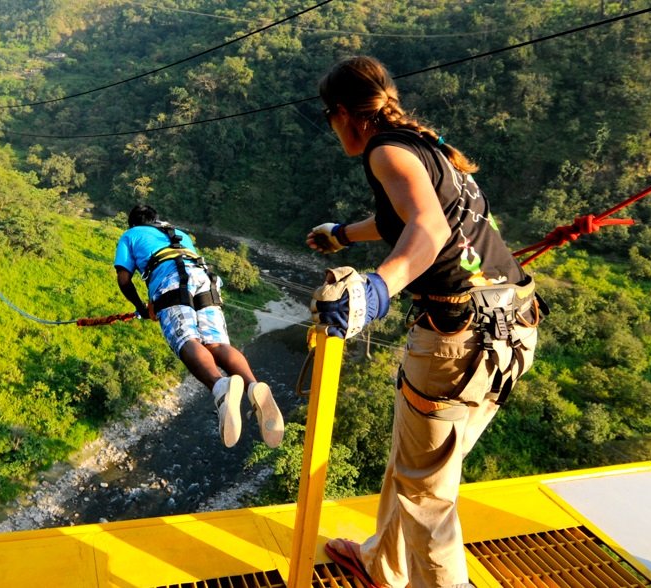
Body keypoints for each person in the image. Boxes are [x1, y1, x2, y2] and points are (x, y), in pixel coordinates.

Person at [307, 56, 542, 588]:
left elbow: (428, 229)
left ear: (343, 113)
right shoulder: (424, 146)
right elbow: (409, 216)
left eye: (329, 116)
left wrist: (375, 289)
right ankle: (381, 565)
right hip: (513, 325)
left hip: (457, 342)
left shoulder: (384, 151)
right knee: (416, 467)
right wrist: (343, 234)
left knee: (426, 495)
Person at [113, 204, 285, 449]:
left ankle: (220, 386)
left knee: (187, 341)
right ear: (155, 220)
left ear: (132, 223)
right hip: (204, 280)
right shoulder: (178, 232)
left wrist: (141, 307)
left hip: (170, 282)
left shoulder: (130, 235)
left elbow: (124, 279)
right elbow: (174, 260)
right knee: (216, 344)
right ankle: (253, 385)